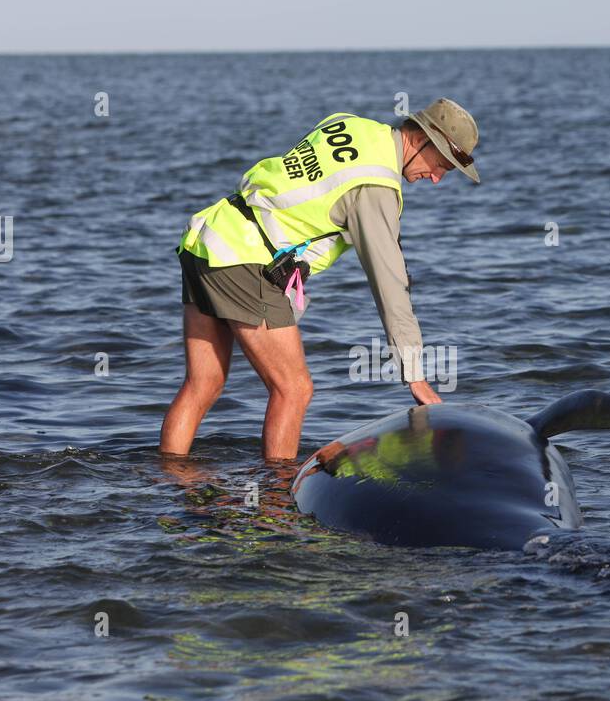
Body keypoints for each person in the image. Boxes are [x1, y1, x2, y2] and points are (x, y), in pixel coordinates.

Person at [159, 98, 481, 460]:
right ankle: (276, 505)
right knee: (293, 389)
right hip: (245, 260)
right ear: (422, 139)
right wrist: (415, 375)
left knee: (203, 383)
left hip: (208, 239)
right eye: (441, 165)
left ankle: (169, 483)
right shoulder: (376, 188)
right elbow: (390, 285)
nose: (437, 178)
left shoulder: (350, 124)